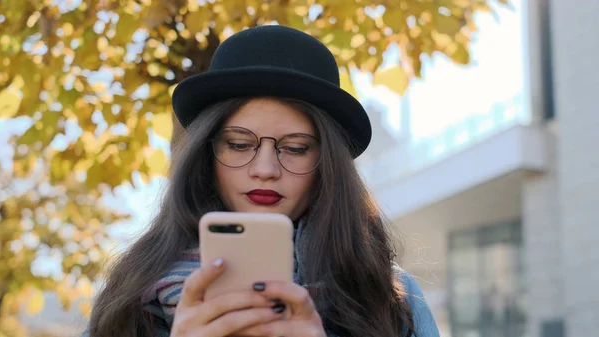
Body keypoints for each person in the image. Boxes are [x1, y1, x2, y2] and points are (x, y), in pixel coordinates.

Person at [85, 25, 440, 337]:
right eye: (239, 144)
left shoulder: (388, 293)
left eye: (296, 148)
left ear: (327, 166)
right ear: (206, 156)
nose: (266, 168)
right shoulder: (130, 292)